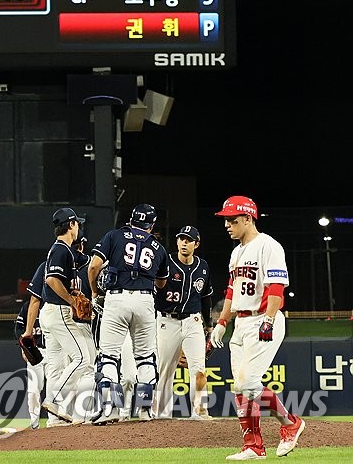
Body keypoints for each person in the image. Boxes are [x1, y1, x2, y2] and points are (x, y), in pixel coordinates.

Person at [210, 196, 305, 460]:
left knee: (248, 383)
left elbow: (276, 287)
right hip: (240, 321)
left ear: (248, 219)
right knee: (239, 388)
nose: (227, 225)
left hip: (264, 317)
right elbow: (231, 290)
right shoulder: (236, 251)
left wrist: (270, 319)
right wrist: (222, 322)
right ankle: (253, 446)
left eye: (232, 220)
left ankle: (290, 423)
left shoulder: (268, 246)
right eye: (226, 220)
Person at [87, 203, 169, 423]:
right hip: (145, 300)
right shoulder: (158, 247)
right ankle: (144, 410)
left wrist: (95, 291)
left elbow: (94, 266)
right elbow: (162, 283)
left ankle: (110, 409)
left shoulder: (114, 236)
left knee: (109, 357)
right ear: (151, 225)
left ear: (131, 220)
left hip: (117, 298)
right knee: (145, 357)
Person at [38, 207, 97, 425]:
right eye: (77, 223)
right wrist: (72, 300)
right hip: (58, 311)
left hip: (51, 314)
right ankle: (53, 400)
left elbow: (88, 262)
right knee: (82, 358)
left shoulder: (67, 251)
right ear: (71, 225)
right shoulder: (61, 249)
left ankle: (55, 419)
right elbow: (51, 280)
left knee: (57, 367)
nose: (79, 227)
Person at [153, 225, 214, 420]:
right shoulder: (166, 262)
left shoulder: (203, 266)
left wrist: (209, 325)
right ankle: (161, 412)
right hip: (166, 320)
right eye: (181, 238)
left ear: (196, 244)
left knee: (198, 368)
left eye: (188, 239)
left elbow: (206, 297)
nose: (184, 242)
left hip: (193, 321)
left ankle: (200, 410)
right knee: (165, 369)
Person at [16, 257, 47, 430]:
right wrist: (23, 347)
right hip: (35, 350)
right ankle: (34, 421)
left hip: (53, 349)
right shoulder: (29, 306)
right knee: (34, 388)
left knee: (57, 385)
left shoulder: (55, 303)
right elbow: (18, 327)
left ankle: (57, 421)